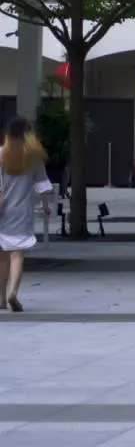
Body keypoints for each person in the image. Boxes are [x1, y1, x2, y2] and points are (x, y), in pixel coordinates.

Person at [0, 117, 53, 312]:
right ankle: (13, 292)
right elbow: (43, 185)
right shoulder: (33, 157)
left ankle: (1, 299)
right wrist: (45, 206)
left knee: (2, 257)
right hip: (23, 212)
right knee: (17, 255)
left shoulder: (1, 154)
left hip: (3, 213)